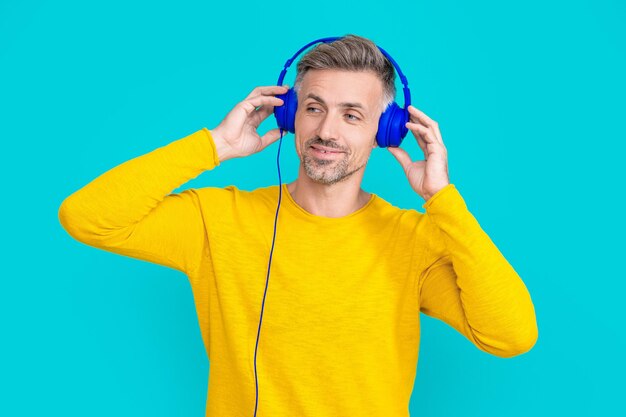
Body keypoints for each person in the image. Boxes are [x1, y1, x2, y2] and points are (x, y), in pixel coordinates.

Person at [58, 34, 538, 417]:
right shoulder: (217, 219)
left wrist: (442, 200)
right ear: (289, 117)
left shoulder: (414, 239)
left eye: (352, 115)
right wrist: (213, 146)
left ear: (386, 130)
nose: (327, 130)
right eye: (313, 107)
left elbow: (511, 334)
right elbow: (85, 217)